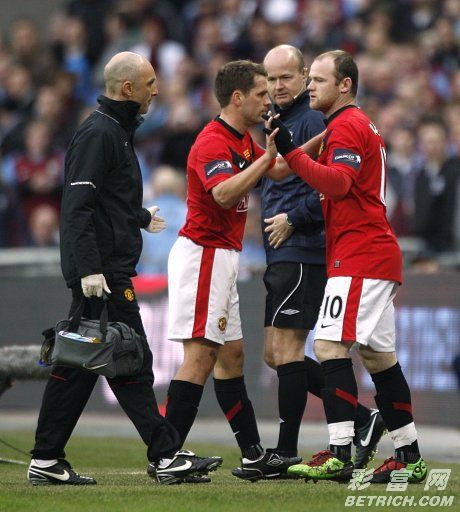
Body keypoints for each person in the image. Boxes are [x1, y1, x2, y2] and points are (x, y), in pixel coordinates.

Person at [27, 51, 218, 487]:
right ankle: (164, 454)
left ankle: (47, 457)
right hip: (103, 273)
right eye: (150, 83)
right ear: (128, 89)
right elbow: (77, 207)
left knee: (81, 362)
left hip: (106, 267)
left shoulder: (115, 131)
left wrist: (140, 217)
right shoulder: (99, 133)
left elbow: (105, 202)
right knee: (130, 357)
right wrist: (89, 269)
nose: (157, 90)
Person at [265, 50, 427, 483]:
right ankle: (409, 458)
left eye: (318, 80)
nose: (310, 87)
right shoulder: (345, 125)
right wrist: (285, 145)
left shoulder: (348, 126)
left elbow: (338, 185)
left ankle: (339, 453)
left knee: (328, 347)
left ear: (344, 85)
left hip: (360, 256)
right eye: (311, 80)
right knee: (378, 358)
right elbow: (287, 170)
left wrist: (292, 152)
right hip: (370, 254)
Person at [165, 60, 301, 482]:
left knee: (232, 356)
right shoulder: (212, 141)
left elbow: (279, 168)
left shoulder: (242, 139)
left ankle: (253, 454)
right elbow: (223, 194)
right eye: (261, 93)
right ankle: (166, 455)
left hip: (223, 257)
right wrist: (267, 158)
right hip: (203, 255)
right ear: (237, 98)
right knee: (201, 357)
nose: (267, 100)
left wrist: (323, 140)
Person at [260, 44, 386, 471]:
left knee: (296, 349)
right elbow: (280, 171)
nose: (278, 86)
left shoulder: (320, 119)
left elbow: (333, 186)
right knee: (277, 353)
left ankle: (289, 450)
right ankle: (365, 420)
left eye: (289, 77)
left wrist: (294, 219)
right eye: (271, 78)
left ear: (303, 77)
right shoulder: (291, 119)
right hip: (287, 249)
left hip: (309, 247)